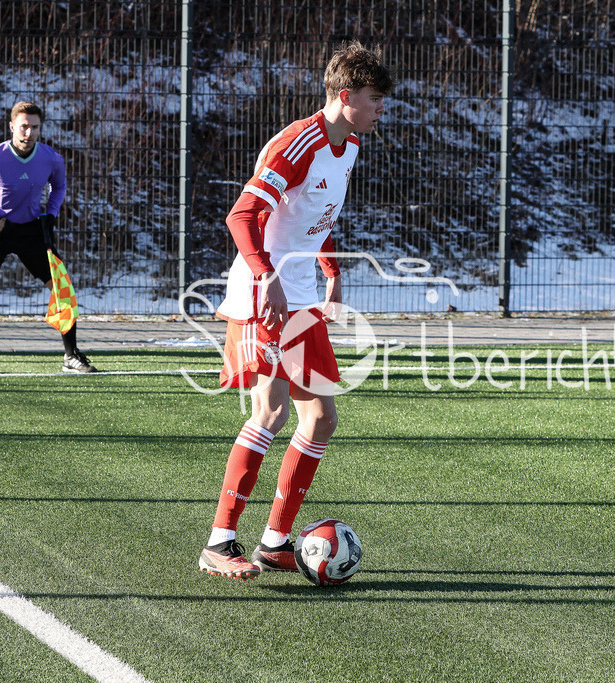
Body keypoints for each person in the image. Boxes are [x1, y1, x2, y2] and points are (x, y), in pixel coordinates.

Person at [198, 42, 394, 580]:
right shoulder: (299, 142)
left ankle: (275, 542)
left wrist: (330, 274)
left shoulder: (350, 143)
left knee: (321, 418)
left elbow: (318, 217)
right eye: (376, 99)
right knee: (271, 412)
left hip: (302, 296)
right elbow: (242, 216)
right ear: (344, 94)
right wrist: (266, 278)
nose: (383, 109)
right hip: (264, 293)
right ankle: (219, 541)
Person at [0, 101, 96, 375]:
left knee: (62, 287)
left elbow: (59, 185)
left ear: (41, 128)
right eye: (24, 126)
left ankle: (71, 355)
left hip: (32, 230)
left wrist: (50, 214)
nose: (29, 132)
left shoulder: (50, 158)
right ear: (12, 126)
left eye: (35, 127)